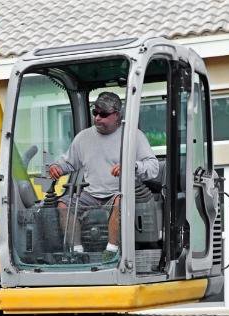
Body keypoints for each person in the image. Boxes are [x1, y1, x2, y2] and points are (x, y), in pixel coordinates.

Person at [46, 91, 160, 262]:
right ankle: (77, 252)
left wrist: (131, 166)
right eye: (95, 113)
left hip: (119, 192)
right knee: (63, 204)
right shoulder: (83, 138)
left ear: (117, 116)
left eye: (104, 114)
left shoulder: (133, 136)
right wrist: (57, 167)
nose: (98, 118)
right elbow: (69, 163)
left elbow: (153, 167)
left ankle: (112, 251)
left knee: (121, 200)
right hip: (90, 194)